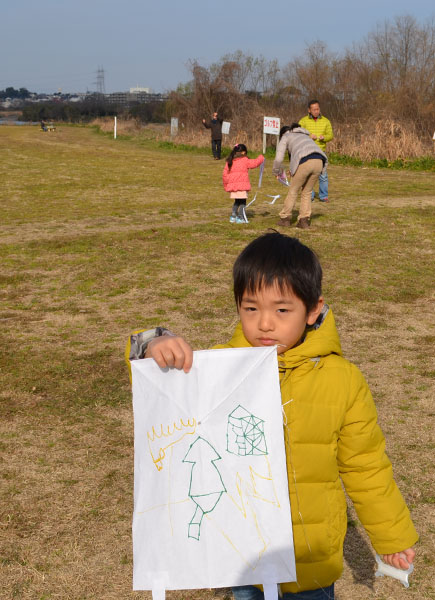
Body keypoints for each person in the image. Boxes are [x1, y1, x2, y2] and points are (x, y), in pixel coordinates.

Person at [126, 232, 418, 599]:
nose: (265, 323)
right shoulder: (218, 372)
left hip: (308, 558)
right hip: (246, 554)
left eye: (282, 310)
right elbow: (154, 374)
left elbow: (366, 465)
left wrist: (391, 535)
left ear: (313, 310)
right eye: (251, 308)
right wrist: (155, 341)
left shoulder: (343, 380)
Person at [273, 123, 327, 229]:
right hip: (319, 161)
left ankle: (285, 218)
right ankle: (304, 220)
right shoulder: (305, 136)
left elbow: (279, 158)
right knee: (307, 192)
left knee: (293, 190)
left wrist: (276, 172)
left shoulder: (286, 136)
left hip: (305, 161)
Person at [298, 100, 333, 202]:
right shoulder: (303, 121)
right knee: (308, 175)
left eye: (318, 109)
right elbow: (298, 133)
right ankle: (310, 196)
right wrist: (309, 136)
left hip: (321, 152)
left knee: (323, 175)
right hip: (307, 151)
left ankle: (324, 196)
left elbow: (330, 135)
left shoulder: (326, 121)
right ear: (309, 110)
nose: (316, 111)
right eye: (314, 109)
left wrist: (324, 137)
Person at [222, 143, 264, 224]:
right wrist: (261, 158)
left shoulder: (230, 161)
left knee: (237, 201)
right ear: (243, 152)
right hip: (242, 186)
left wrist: (226, 185)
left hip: (233, 186)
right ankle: (241, 217)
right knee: (243, 202)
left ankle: (233, 216)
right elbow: (254, 163)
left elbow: (224, 174)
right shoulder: (245, 160)